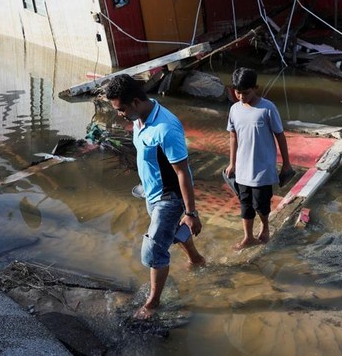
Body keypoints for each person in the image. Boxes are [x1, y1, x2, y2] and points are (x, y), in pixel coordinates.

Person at [104, 74, 205, 319]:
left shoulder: (166, 128)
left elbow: (182, 172)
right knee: (170, 233)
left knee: (154, 250)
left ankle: (152, 303)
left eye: (122, 109)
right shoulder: (139, 120)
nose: (120, 114)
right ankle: (197, 260)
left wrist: (191, 213)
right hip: (151, 192)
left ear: (136, 102)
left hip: (168, 198)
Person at [225, 67, 293, 250]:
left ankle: (265, 227)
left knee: (261, 204)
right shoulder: (234, 110)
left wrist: (286, 164)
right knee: (245, 203)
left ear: (256, 88)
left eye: (245, 93)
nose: (241, 97)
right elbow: (233, 136)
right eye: (237, 93)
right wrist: (232, 163)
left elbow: (280, 135)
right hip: (242, 167)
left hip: (263, 167)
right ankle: (248, 237)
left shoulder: (267, 108)